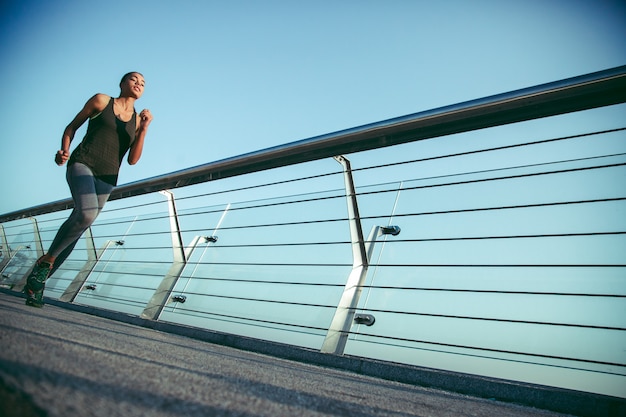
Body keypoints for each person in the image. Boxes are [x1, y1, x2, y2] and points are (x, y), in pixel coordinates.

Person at [23, 72, 153, 307]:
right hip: (83, 162)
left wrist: (143, 128)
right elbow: (71, 127)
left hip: (107, 177)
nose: (138, 84)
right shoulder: (102, 101)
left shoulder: (136, 121)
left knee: (79, 226)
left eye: (143, 83)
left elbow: (133, 160)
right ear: (122, 83)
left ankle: (37, 284)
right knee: (85, 214)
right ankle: (46, 262)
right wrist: (64, 150)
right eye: (134, 79)